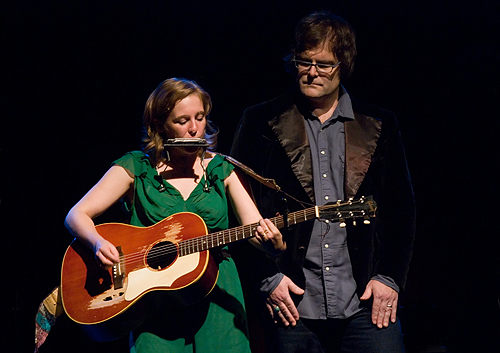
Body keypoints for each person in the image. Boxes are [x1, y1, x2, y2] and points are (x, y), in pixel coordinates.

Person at [230, 11, 416, 353]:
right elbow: (236, 207)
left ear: (343, 64)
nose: (312, 72)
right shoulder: (260, 121)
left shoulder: (378, 124)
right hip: (291, 302)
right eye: (304, 61)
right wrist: (267, 280)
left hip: (362, 300)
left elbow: (401, 210)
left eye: (324, 64)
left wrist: (389, 278)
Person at [64, 77, 286, 353]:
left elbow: (255, 229)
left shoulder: (221, 170)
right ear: (160, 126)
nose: (195, 129)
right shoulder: (136, 167)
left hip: (217, 293)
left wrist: (271, 244)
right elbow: (76, 215)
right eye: (182, 121)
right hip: (154, 303)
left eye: (200, 117)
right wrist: (98, 243)